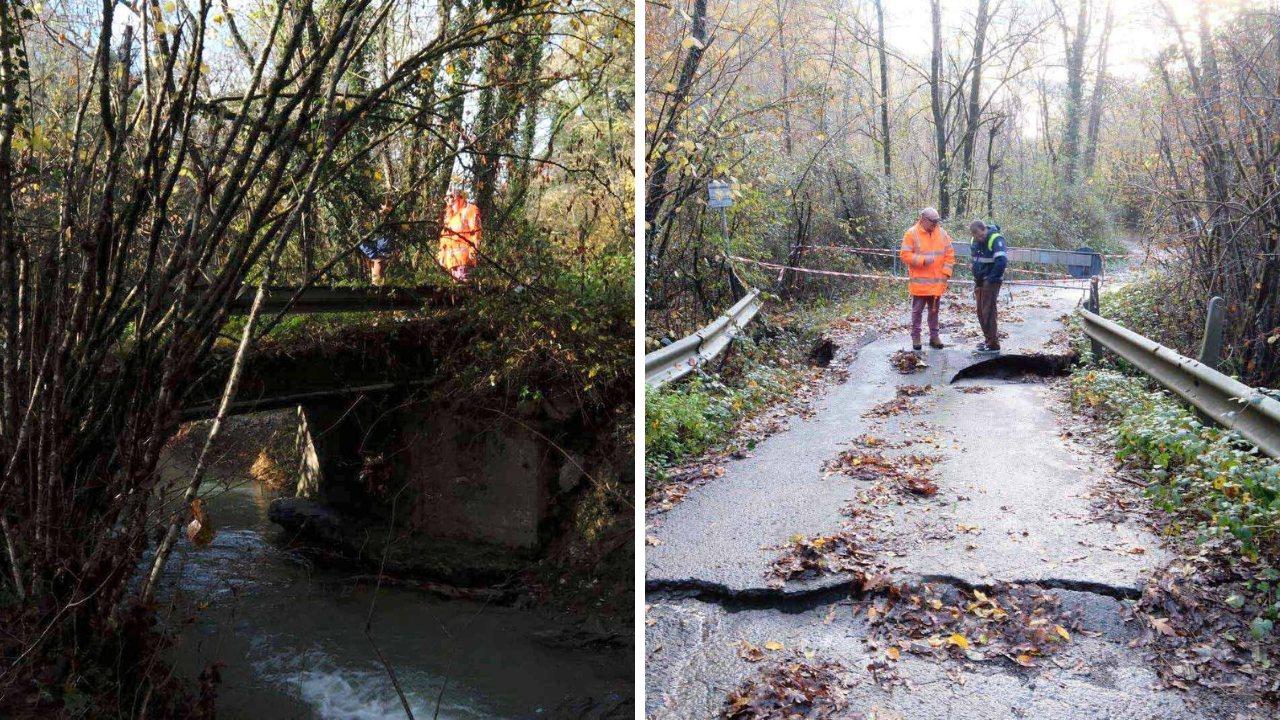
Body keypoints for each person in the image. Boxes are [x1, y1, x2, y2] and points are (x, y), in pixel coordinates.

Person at [899, 207, 956, 351]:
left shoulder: (942, 234)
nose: (935, 224)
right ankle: (916, 337)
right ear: (923, 219)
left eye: (937, 221)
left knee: (934, 311)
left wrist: (946, 274)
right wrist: (923, 260)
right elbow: (905, 255)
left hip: (937, 283)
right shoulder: (911, 233)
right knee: (917, 312)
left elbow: (950, 255)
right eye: (933, 221)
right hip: (920, 284)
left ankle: (934, 337)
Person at [969, 219, 1008, 353]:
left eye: (981, 235)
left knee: (988, 311)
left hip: (991, 281)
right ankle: (988, 340)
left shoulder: (996, 239)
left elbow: (1001, 262)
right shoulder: (974, 241)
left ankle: (993, 343)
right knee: (981, 311)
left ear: (984, 228)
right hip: (979, 280)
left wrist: (990, 280)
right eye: (977, 237)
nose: (980, 238)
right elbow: (975, 260)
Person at [438, 191, 482, 281]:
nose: (448, 201)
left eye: (450, 197)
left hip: (464, 261)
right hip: (452, 263)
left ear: (457, 197)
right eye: (446, 198)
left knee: (464, 290)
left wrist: (473, 250)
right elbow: (444, 240)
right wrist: (442, 256)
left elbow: (476, 231)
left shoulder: (469, 210)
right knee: (456, 292)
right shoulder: (449, 217)